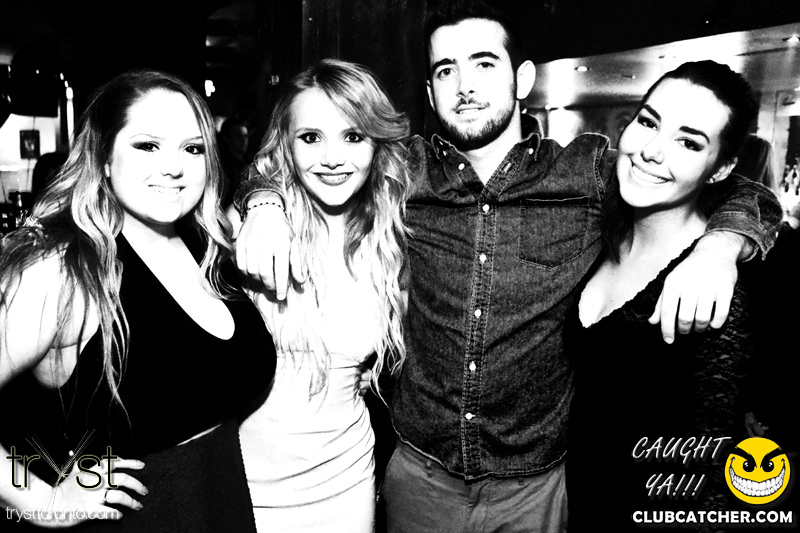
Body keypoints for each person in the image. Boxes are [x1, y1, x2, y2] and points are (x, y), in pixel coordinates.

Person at [232, 2, 782, 531]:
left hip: (534, 487)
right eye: (446, 70)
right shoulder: (404, 173)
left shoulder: (586, 172)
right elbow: (291, 157)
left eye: (484, 64)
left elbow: (739, 189)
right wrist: (264, 203)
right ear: (430, 92)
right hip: (420, 476)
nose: (464, 86)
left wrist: (719, 246)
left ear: (523, 79)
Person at [0, 70, 276, 531]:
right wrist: (42, 502)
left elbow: (281, 164)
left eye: (193, 148)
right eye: (148, 145)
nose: (174, 167)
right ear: (104, 157)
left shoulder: (206, 244)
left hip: (220, 505)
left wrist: (267, 203)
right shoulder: (63, 269)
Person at [565, 60, 777, 531]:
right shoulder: (603, 231)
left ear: (721, 168)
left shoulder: (715, 289)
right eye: (648, 122)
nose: (652, 151)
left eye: (688, 142)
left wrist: (721, 247)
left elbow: (714, 477)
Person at [231, 59, 409, 533]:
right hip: (244, 485)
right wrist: (261, 200)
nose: (332, 158)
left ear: (377, 144)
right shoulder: (253, 228)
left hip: (345, 481)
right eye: (310, 137)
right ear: (285, 146)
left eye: (353, 136)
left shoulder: (390, 236)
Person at [218, 116, 250, 207]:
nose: (243, 140)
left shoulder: (248, 165)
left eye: (245, 136)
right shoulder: (222, 168)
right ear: (226, 138)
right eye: (238, 135)